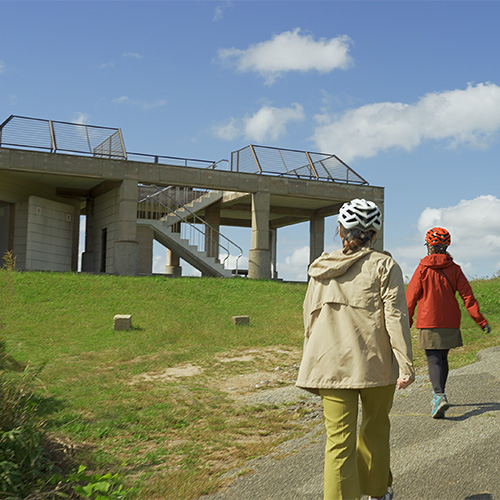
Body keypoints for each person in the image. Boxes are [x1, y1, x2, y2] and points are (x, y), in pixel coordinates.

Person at [296, 198, 415, 500]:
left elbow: (309, 317)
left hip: (329, 363)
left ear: (340, 231)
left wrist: (312, 356)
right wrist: (405, 363)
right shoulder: (385, 266)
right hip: (374, 363)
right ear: (374, 234)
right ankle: (377, 494)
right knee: (375, 429)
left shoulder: (320, 269)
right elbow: (396, 317)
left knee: (338, 443)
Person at [406, 227, 491, 419]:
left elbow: (410, 298)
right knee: (443, 358)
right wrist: (481, 321)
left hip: (429, 320)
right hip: (450, 321)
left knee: (433, 358)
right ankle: (440, 393)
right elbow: (467, 296)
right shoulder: (455, 269)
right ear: (446, 246)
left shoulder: (422, 269)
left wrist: (406, 321)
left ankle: (438, 395)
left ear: (429, 246)